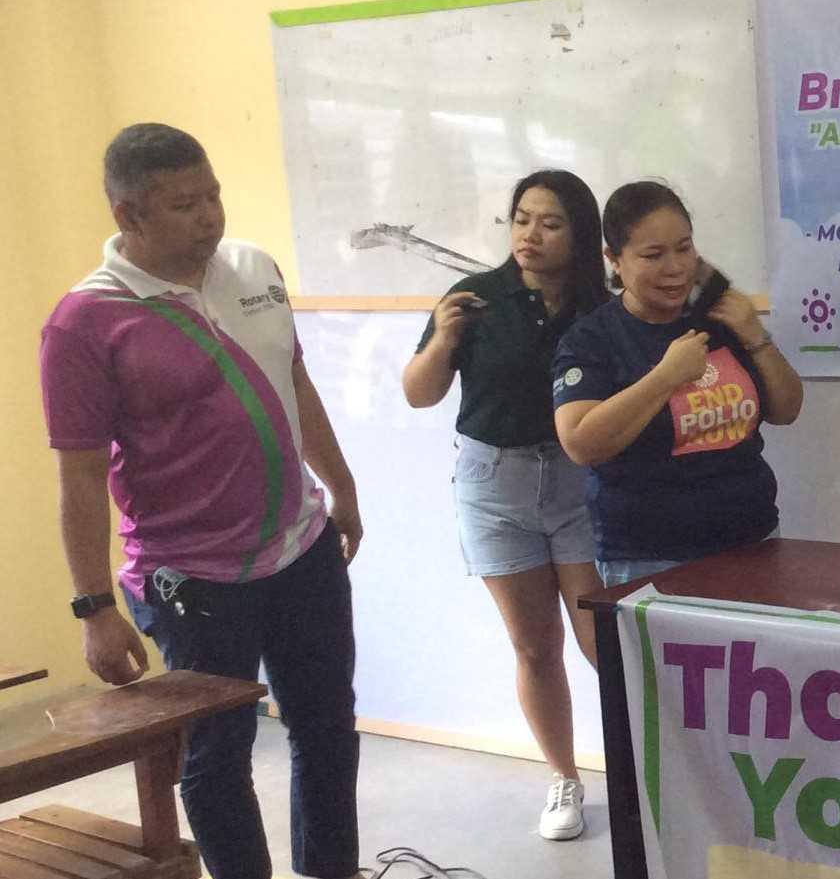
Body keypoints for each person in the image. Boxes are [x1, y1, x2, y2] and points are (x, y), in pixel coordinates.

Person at [40, 123, 364, 879]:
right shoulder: (85, 322)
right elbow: (79, 476)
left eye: (213, 195)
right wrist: (93, 608)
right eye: (185, 205)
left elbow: (295, 381)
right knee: (218, 755)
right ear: (129, 215)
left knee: (327, 726)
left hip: (301, 545)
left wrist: (342, 487)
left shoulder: (253, 267)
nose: (209, 217)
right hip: (192, 576)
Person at [400, 169, 609, 840]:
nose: (530, 234)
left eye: (550, 223)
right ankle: (564, 778)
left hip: (578, 482)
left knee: (603, 641)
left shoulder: (601, 306)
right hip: (494, 485)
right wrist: (441, 340)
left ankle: (644, 767)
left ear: (580, 234)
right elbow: (419, 393)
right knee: (535, 645)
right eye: (521, 219)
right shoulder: (475, 299)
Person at [553, 180, 803, 586]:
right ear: (614, 259)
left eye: (684, 248)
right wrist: (666, 377)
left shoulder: (719, 318)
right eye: (653, 255)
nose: (675, 268)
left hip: (753, 540)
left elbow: (788, 410)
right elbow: (580, 442)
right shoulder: (592, 339)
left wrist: (755, 335)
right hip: (649, 556)